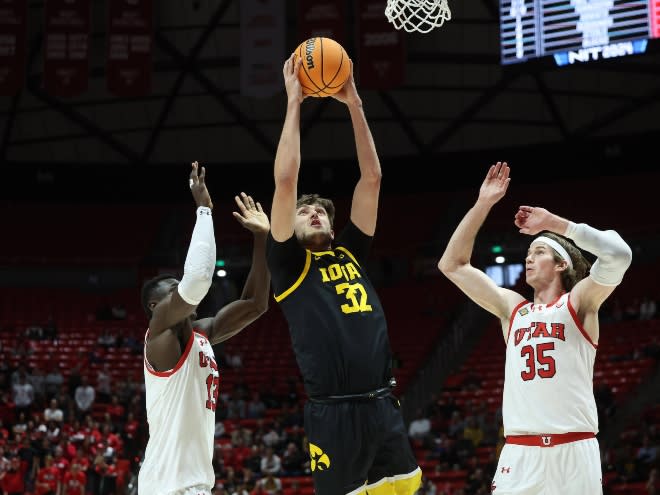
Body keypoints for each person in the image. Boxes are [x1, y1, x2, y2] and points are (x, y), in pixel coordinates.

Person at [266, 54, 421, 495]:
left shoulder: (351, 252)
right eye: (304, 212)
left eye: (320, 211)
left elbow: (372, 177)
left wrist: (354, 103)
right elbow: (285, 180)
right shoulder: (288, 264)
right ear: (288, 228)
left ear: (333, 227)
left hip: (381, 404)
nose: (312, 213)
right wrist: (294, 102)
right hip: (334, 414)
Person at [438, 162, 633, 495]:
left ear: (562, 264)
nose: (529, 258)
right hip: (521, 452)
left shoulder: (579, 302)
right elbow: (452, 265)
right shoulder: (513, 309)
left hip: (574, 449)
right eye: (528, 252)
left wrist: (556, 225)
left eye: (539, 251)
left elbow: (620, 254)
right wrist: (483, 203)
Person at [138, 162, 271, 495]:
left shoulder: (200, 333)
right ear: (156, 307)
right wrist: (204, 210)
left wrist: (262, 240)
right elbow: (197, 279)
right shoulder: (159, 334)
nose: (180, 288)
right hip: (167, 487)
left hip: (194, 485)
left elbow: (256, 303)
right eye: (173, 287)